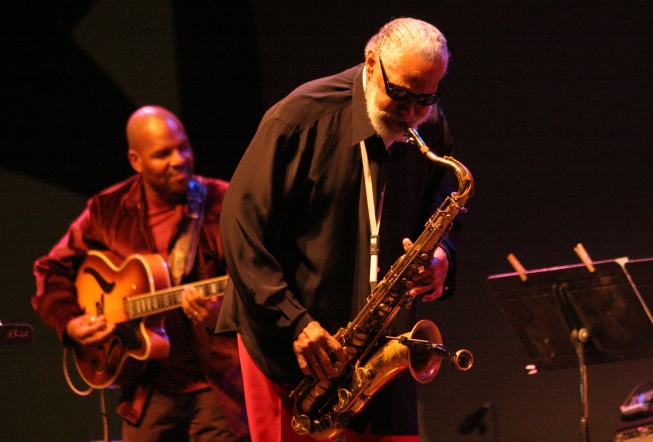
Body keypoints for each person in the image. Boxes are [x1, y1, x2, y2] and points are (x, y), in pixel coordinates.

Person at [216, 17, 463, 442]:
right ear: (371, 65)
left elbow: (444, 215)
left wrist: (443, 258)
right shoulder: (297, 120)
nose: (411, 114)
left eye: (426, 99)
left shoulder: (429, 124)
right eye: (400, 96)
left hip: (376, 346)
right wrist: (295, 322)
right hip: (290, 346)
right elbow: (241, 230)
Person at [32, 105, 250, 442]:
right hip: (146, 389)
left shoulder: (225, 201)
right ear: (135, 160)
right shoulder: (107, 210)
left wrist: (221, 314)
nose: (179, 160)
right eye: (163, 154)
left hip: (216, 385)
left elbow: (256, 283)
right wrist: (70, 321)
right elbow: (51, 269)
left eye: (184, 147)